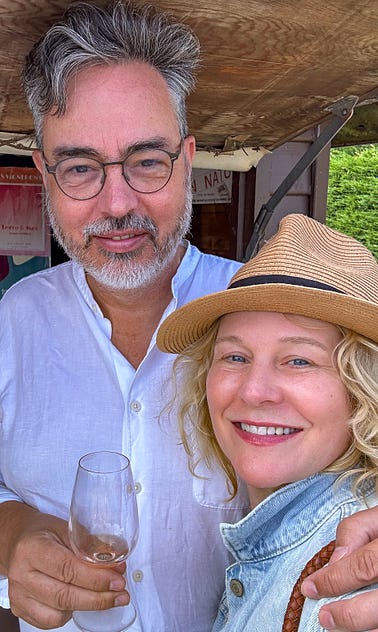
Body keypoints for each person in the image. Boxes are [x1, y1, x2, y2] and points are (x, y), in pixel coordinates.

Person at [0, 2, 378, 631]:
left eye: (146, 161)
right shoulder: (20, 317)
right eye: (81, 167)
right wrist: (11, 535)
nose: (117, 204)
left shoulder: (261, 314)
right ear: (44, 173)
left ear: (187, 159)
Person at [157, 213, 378, 630]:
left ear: (362, 389)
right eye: (235, 357)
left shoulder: (348, 579)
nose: (255, 391)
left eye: (298, 360)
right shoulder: (284, 544)